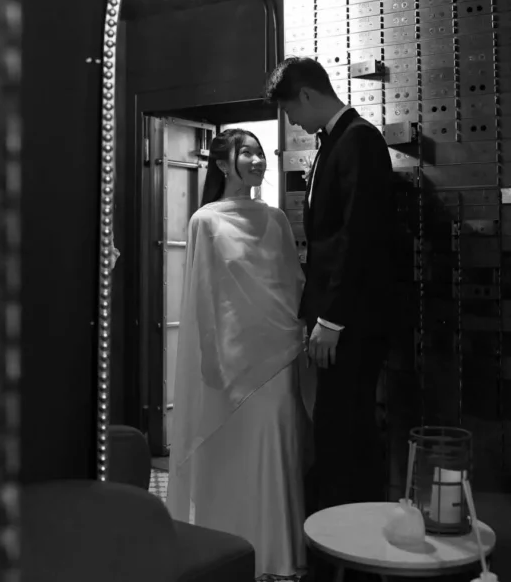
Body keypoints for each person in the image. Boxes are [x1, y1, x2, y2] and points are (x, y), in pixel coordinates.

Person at [166, 128, 315, 580]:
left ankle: (277, 559)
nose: (256, 160)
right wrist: (210, 357)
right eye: (245, 152)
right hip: (229, 362)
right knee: (228, 459)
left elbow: (293, 286)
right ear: (222, 162)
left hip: (278, 357)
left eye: (259, 152)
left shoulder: (276, 220)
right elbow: (202, 296)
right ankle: (226, 551)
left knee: (274, 453)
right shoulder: (205, 221)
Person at [264, 56, 396, 516]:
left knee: (346, 428)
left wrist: (331, 319)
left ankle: (349, 535)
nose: (292, 122)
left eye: (289, 111)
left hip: (350, 319)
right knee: (339, 426)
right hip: (338, 315)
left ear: (305, 95)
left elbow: (359, 236)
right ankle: (339, 531)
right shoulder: (335, 142)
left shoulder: (359, 140)